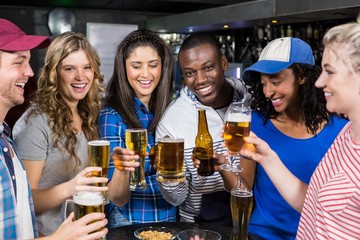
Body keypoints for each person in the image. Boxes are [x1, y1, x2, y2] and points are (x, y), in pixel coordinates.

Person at [239, 15, 360, 239]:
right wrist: (267, 158)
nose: (320, 81)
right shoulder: (346, 135)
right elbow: (312, 202)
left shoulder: (338, 129)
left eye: (330, 71)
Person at [215, 37, 348, 239]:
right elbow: (244, 188)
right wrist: (222, 166)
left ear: (302, 76)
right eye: (263, 83)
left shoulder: (340, 131)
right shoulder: (257, 124)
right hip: (261, 235)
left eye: (276, 82)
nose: (268, 92)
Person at [0, 18, 107, 239]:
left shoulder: (88, 115)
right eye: (70, 68)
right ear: (54, 74)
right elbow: (27, 202)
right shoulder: (35, 124)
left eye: (87, 67)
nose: (81, 76)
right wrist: (70, 188)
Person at [155, 32, 250, 226]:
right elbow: (176, 199)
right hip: (201, 227)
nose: (200, 79)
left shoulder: (251, 101)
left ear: (223, 63)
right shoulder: (173, 120)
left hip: (252, 220)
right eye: (190, 73)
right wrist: (169, 176)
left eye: (208, 68)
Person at [98, 29, 177, 228]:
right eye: (136, 66)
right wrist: (122, 168)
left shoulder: (171, 110)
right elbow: (116, 197)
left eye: (153, 65)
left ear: (163, 67)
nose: (145, 74)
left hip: (171, 220)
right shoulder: (112, 116)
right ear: (123, 68)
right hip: (129, 222)